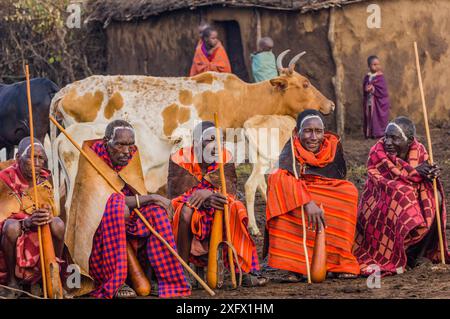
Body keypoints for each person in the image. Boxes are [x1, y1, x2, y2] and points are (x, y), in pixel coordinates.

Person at [65, 120, 190, 299]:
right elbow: (102, 203)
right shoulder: (91, 160)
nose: (126, 151)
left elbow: (136, 190)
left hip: (129, 219)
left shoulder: (131, 157)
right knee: (117, 208)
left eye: (130, 145)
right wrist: (152, 196)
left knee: (156, 212)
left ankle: (164, 280)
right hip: (99, 230)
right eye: (120, 145)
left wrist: (151, 201)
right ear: (106, 141)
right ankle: (116, 281)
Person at [265, 110, 360, 282]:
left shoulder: (332, 145)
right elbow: (278, 176)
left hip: (323, 191)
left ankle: (338, 263)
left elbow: (337, 179)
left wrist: (315, 198)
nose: (313, 137)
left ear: (324, 132)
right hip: (302, 193)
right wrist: (307, 202)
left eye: (318, 131)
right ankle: (294, 267)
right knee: (278, 186)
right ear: (298, 132)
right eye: (308, 131)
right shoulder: (292, 149)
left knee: (349, 191)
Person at [168, 121, 266, 287]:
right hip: (189, 208)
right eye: (210, 140)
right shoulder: (179, 157)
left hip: (216, 206)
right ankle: (181, 270)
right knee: (184, 211)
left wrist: (210, 194)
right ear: (196, 142)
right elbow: (175, 197)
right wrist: (201, 197)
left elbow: (229, 193)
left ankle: (241, 268)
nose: (216, 146)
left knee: (235, 207)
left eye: (220, 140)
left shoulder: (225, 156)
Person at [353, 116, 449, 275]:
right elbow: (383, 182)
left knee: (435, 197)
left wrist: (430, 173)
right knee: (402, 195)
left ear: (410, 140)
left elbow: (423, 178)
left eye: (394, 138)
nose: (388, 142)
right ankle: (395, 254)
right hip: (380, 201)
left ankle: (417, 255)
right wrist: (415, 172)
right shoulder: (377, 152)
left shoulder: (419, 150)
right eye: (386, 137)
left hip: (409, 198)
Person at [0, 137, 65, 298]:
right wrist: (26, 222)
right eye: (31, 157)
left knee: (58, 224)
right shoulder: (4, 179)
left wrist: (47, 216)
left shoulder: (44, 180)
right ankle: (12, 282)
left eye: (41, 158)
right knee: (11, 227)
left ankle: (49, 276)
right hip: (13, 236)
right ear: (17, 158)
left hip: (40, 234)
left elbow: (53, 210)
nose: (37, 163)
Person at [363, 55, 390, 139]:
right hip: (370, 101)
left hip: (379, 103)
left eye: (377, 64)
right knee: (370, 117)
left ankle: (378, 133)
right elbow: (364, 86)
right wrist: (366, 88)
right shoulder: (367, 77)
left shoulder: (380, 77)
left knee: (377, 117)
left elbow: (383, 91)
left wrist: (373, 89)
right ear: (369, 66)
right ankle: (370, 133)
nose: (376, 66)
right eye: (374, 64)